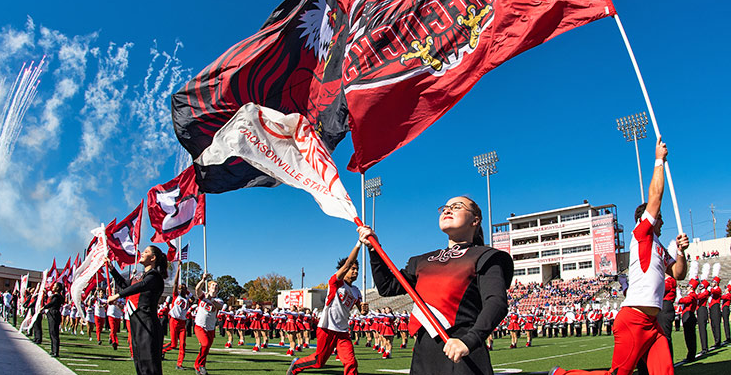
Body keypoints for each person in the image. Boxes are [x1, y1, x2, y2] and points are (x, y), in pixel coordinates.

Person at [551, 139, 689, 375]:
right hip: (634, 320)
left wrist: (680, 251)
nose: (662, 221)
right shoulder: (641, 234)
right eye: (660, 217)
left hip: (651, 324)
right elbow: (655, 197)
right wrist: (658, 160)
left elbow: (679, 274)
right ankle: (562, 374)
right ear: (646, 218)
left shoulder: (658, 247)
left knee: (664, 371)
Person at [359, 194, 514, 375]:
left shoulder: (486, 256)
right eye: (445, 208)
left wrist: (469, 341)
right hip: (424, 354)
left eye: (457, 207)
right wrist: (373, 249)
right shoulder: (422, 261)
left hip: (462, 352)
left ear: (475, 220)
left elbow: (496, 303)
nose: (447, 210)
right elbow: (386, 287)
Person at [289, 240, 363, 375]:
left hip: (342, 331)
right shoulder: (336, 283)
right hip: (327, 327)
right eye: (353, 269)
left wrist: (364, 309)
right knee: (319, 362)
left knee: (351, 362)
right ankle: (296, 365)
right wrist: (359, 243)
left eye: (357, 269)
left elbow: (362, 311)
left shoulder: (357, 291)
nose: (355, 271)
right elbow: (346, 265)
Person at [108, 245, 168, 375]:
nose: (142, 253)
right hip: (137, 325)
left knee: (150, 367)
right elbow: (125, 285)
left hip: (148, 325)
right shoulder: (140, 276)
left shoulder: (154, 277)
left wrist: (118, 295)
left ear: (153, 258)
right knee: (140, 366)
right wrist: (112, 269)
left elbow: (143, 285)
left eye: (146, 252)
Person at [189, 276, 224, 374]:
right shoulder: (203, 296)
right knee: (205, 344)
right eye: (213, 285)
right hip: (200, 325)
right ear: (209, 287)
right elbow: (197, 289)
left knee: (206, 348)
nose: (215, 287)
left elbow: (219, 306)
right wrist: (203, 280)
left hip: (210, 327)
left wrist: (211, 299)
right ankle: (200, 366)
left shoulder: (219, 300)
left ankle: (199, 366)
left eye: (216, 286)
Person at [43, 282, 66, 356]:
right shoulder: (57, 296)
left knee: (54, 333)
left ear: (58, 288)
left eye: (54, 286)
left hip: (54, 314)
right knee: (52, 332)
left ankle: (56, 351)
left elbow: (52, 303)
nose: (52, 287)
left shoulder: (57, 296)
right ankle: (53, 350)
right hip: (53, 313)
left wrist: (44, 307)